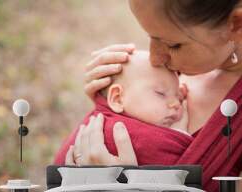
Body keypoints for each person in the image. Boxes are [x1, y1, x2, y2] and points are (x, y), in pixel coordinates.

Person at [61, 0, 242, 192]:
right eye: (150, 36)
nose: (154, 58)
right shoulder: (166, 72)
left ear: (236, 25)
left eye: (173, 45)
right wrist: (108, 110)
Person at [54, 50, 195, 166]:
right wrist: (180, 133)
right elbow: (180, 161)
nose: (176, 104)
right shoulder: (125, 132)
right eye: (160, 93)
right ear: (117, 98)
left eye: (179, 97)